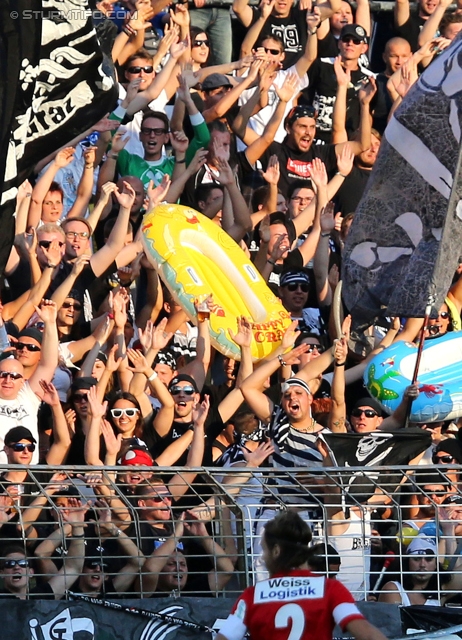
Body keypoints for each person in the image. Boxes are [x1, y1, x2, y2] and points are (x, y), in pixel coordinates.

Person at [215, 510, 388, 640]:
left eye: (265, 550)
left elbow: (226, 637)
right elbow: (367, 634)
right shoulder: (329, 589)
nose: (263, 557)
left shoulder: (253, 596)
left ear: (276, 551)